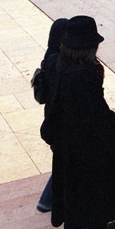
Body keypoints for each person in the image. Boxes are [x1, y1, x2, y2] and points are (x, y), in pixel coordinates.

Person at [40, 16, 115, 229]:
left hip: (63, 139)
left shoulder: (55, 63)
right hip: (85, 142)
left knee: (73, 185)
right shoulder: (85, 75)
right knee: (91, 184)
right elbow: (96, 114)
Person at [35, 18, 69, 213]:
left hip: (52, 120)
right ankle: (47, 200)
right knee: (65, 163)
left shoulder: (49, 57)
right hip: (60, 123)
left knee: (63, 161)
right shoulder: (59, 63)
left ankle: (47, 200)